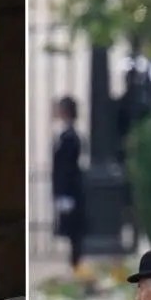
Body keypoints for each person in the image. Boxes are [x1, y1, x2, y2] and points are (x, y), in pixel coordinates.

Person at [51, 95, 86, 272]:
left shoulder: (69, 137)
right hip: (68, 190)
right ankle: (75, 264)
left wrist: (63, 193)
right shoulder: (66, 134)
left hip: (70, 191)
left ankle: (76, 265)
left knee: (74, 232)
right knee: (73, 232)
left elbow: (66, 168)